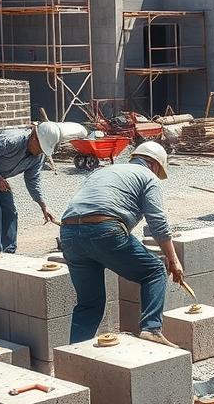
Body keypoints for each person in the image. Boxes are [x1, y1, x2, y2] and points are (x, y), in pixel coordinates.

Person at [60, 141, 185, 347]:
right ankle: (151, 329)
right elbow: (157, 222)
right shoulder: (147, 177)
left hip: (69, 234)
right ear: (154, 165)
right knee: (154, 271)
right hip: (103, 229)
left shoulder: (102, 172)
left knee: (89, 304)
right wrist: (173, 260)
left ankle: (73, 354)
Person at [0, 122, 61, 254]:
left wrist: (43, 205)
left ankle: (9, 253)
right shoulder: (13, 141)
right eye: (40, 148)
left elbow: (32, 179)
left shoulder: (38, 156)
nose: (40, 153)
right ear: (34, 138)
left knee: (10, 211)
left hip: (0, 175)